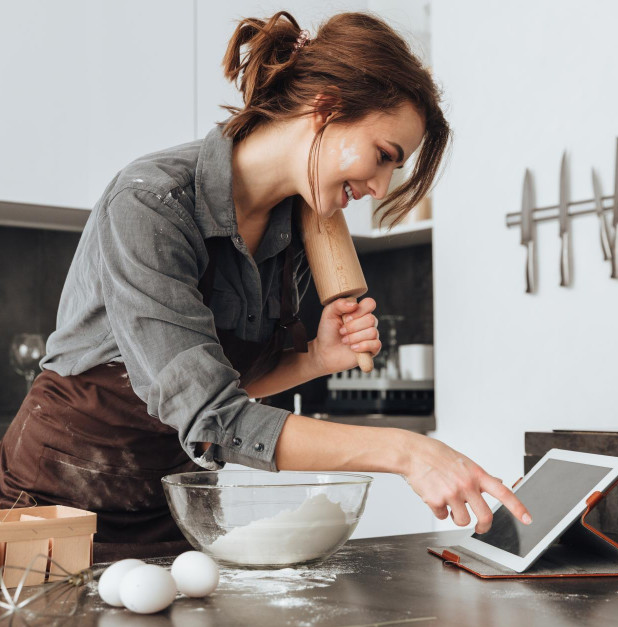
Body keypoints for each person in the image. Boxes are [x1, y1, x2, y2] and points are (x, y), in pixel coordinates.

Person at [0, 11, 531, 560]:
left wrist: (315, 360)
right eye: (383, 156)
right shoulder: (150, 203)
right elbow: (212, 420)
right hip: (53, 496)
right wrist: (406, 452)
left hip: (169, 503)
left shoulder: (300, 226)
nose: (379, 186)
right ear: (325, 107)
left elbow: (225, 392)